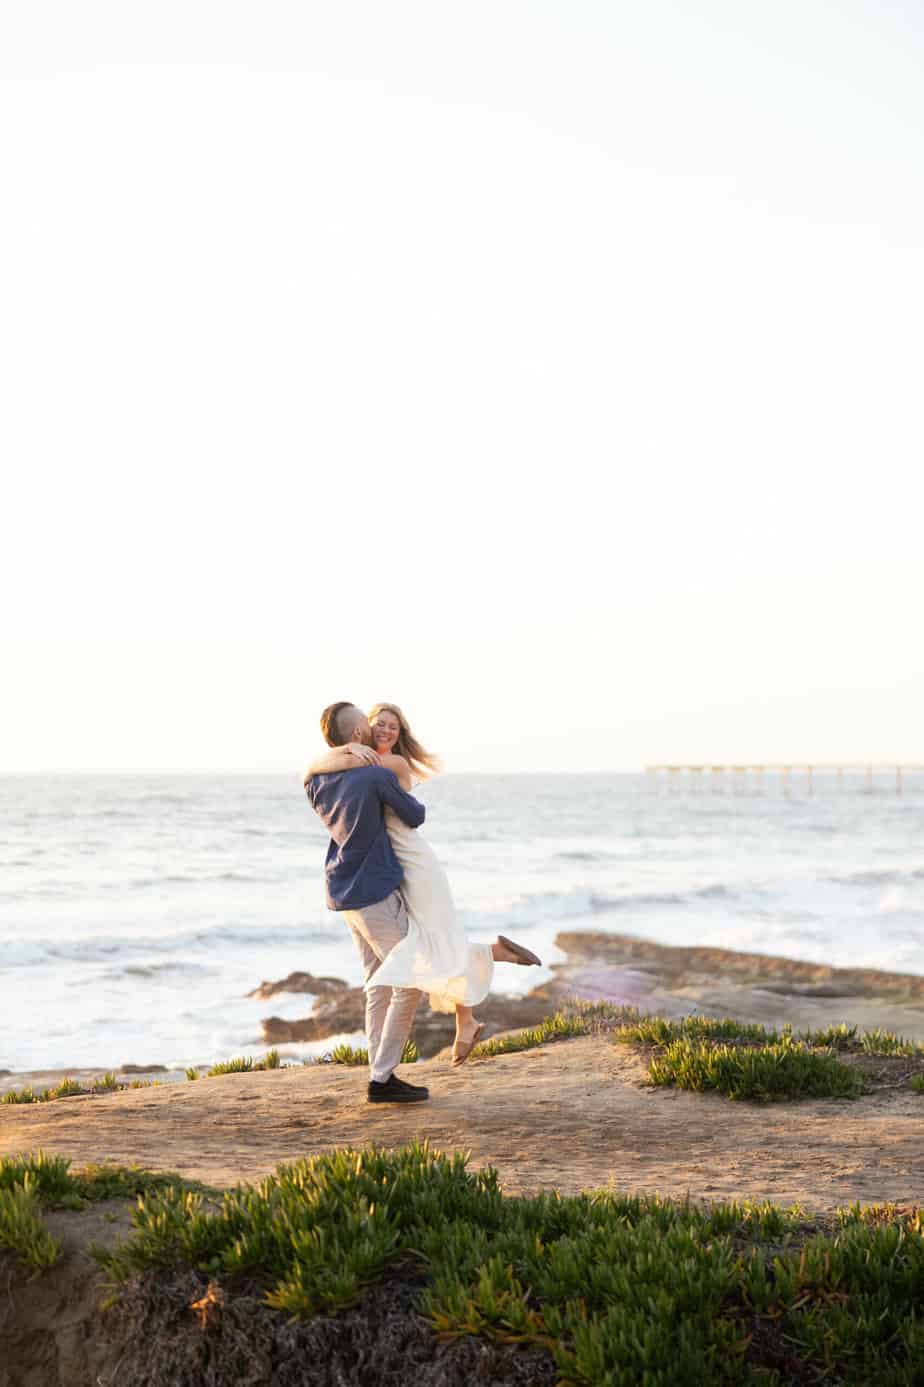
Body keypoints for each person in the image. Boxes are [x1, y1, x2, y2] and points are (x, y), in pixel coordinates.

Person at [306, 701, 541, 1067]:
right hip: (389, 868)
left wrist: (332, 757)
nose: (384, 731)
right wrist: (342, 753)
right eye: (378, 724)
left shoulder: (385, 765)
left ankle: (481, 976)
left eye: (393, 728)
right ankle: (469, 1011)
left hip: (412, 860)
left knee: (428, 944)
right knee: (431, 941)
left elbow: (321, 771)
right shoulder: (357, 764)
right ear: (362, 730)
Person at [304, 702, 431, 1104]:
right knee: (409, 981)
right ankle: (382, 1078)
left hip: (344, 893)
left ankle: (379, 1069)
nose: (372, 725)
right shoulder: (373, 775)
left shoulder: (317, 782)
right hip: (375, 893)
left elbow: (311, 768)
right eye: (365, 720)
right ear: (357, 734)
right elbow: (415, 814)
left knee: (377, 983)